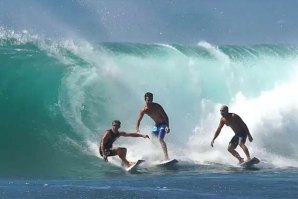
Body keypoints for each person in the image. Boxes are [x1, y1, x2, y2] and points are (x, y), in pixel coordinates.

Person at [136, 92, 170, 160]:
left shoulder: (157, 106)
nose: (150, 102)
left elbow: (166, 116)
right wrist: (137, 129)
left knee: (160, 139)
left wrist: (167, 126)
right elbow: (138, 120)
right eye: (148, 100)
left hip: (163, 123)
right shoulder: (144, 110)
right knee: (153, 141)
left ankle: (166, 157)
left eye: (151, 100)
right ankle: (158, 155)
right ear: (145, 100)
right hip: (157, 125)